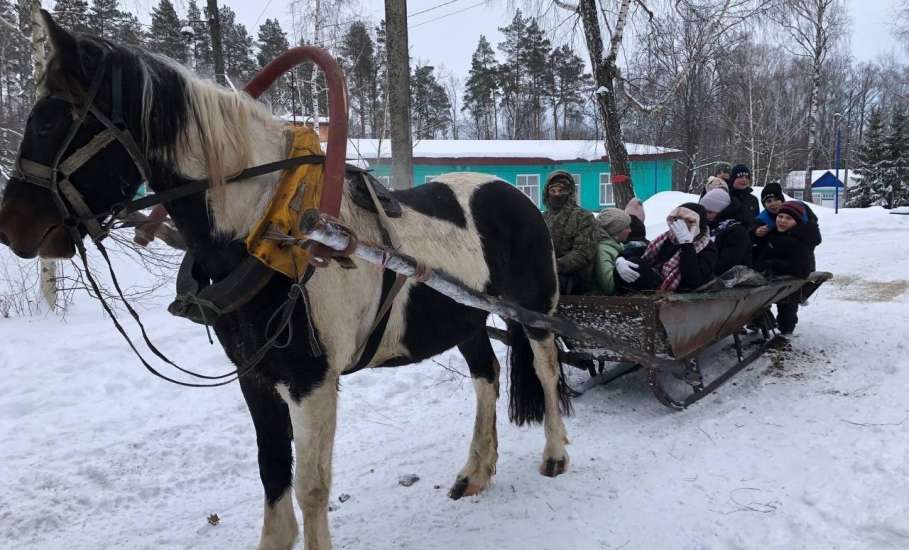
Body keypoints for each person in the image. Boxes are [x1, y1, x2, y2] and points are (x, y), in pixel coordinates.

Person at [614, 203, 717, 293]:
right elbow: (642, 251)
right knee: (627, 265)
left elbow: (694, 280)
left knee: (635, 264)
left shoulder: (707, 248)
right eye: (677, 220)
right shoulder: (667, 238)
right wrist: (620, 259)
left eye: (688, 222)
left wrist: (687, 245)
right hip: (655, 280)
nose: (680, 225)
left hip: (674, 291)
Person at [754, 201, 822, 336]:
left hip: (790, 281)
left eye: (788, 218)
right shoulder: (772, 234)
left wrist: (772, 263)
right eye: (780, 217)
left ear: (796, 221)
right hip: (771, 280)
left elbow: (802, 269)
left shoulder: (800, 240)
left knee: (787, 306)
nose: (782, 221)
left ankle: (787, 331)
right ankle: (764, 322)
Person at [542, 171, 597, 294]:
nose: (557, 194)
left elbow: (583, 253)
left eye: (561, 191)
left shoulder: (583, 217)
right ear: (547, 192)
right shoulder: (542, 218)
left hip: (574, 279)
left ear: (570, 192)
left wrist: (553, 266)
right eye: (553, 190)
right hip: (545, 273)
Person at [699, 188, 753, 275]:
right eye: (703, 212)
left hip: (733, 281)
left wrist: (701, 271)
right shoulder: (712, 224)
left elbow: (727, 263)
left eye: (710, 212)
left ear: (722, 211)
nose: (705, 216)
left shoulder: (736, 231)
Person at [593, 208, 632, 295]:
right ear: (615, 231)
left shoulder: (617, 247)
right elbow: (609, 286)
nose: (630, 230)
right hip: (604, 304)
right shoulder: (602, 251)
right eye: (626, 227)